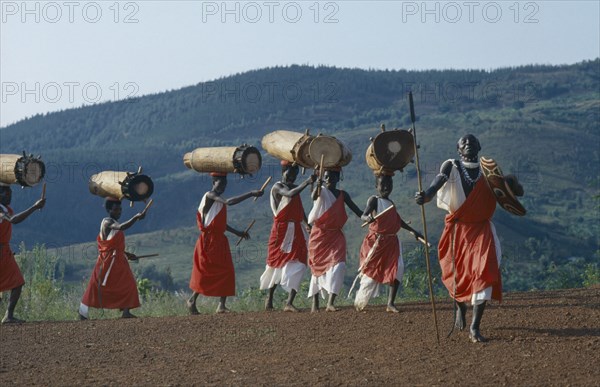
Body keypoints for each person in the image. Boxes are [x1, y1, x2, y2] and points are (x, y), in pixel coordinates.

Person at [415, 134, 523, 343]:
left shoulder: (489, 173)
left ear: (479, 146)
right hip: (457, 229)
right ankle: (460, 306)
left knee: (485, 272)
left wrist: (511, 183)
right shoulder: (452, 165)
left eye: (472, 141)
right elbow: (437, 183)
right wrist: (426, 196)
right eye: (463, 142)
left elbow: (516, 193)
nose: (468, 143)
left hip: (482, 230)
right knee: (455, 274)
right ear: (458, 149)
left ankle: (475, 328)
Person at [187, 173, 263, 314]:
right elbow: (229, 202)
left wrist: (237, 232)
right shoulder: (210, 195)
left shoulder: (216, 200)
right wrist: (251, 193)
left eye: (225, 185)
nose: (222, 187)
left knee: (227, 270)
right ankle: (192, 300)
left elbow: (219, 223)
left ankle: (221, 305)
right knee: (204, 271)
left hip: (219, 240)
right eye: (220, 184)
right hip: (208, 241)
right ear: (214, 181)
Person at [354, 173, 423, 312]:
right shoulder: (374, 200)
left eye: (389, 184)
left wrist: (413, 231)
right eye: (383, 184)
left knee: (398, 268)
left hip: (392, 242)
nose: (386, 187)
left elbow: (398, 220)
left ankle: (390, 303)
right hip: (376, 243)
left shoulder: (391, 204)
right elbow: (363, 214)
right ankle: (359, 303)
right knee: (370, 273)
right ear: (376, 186)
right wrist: (367, 218)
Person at [79, 198, 149, 320]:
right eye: (116, 210)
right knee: (96, 285)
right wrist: (136, 217)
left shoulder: (112, 222)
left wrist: (127, 254)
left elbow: (114, 245)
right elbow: (121, 227)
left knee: (129, 283)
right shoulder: (107, 222)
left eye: (120, 209)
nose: (119, 212)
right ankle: (82, 312)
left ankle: (126, 311)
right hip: (107, 260)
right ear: (109, 210)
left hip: (118, 260)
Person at [260, 161, 315, 312]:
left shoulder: (294, 188)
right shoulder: (278, 187)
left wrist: (306, 224)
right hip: (280, 231)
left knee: (300, 263)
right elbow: (290, 194)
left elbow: (299, 209)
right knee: (276, 265)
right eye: (289, 174)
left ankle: (289, 302)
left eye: (294, 174)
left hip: (296, 230)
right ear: (282, 171)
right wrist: (306, 182)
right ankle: (269, 299)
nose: (291, 177)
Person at [307, 168, 362, 312]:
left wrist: (368, 217)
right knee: (317, 268)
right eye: (326, 177)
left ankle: (330, 302)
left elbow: (358, 211)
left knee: (339, 266)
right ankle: (315, 301)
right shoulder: (321, 191)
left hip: (336, 236)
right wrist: (317, 185)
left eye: (331, 177)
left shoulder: (343, 195)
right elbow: (313, 197)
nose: (328, 179)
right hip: (319, 236)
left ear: (338, 178)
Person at [0, 184, 46, 324]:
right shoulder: (1, 211)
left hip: (4, 251)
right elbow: (13, 220)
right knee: (17, 282)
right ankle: (8, 315)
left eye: (10, 192)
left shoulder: (6, 209)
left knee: (18, 282)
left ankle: (8, 315)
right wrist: (34, 207)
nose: (10, 195)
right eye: (6, 193)